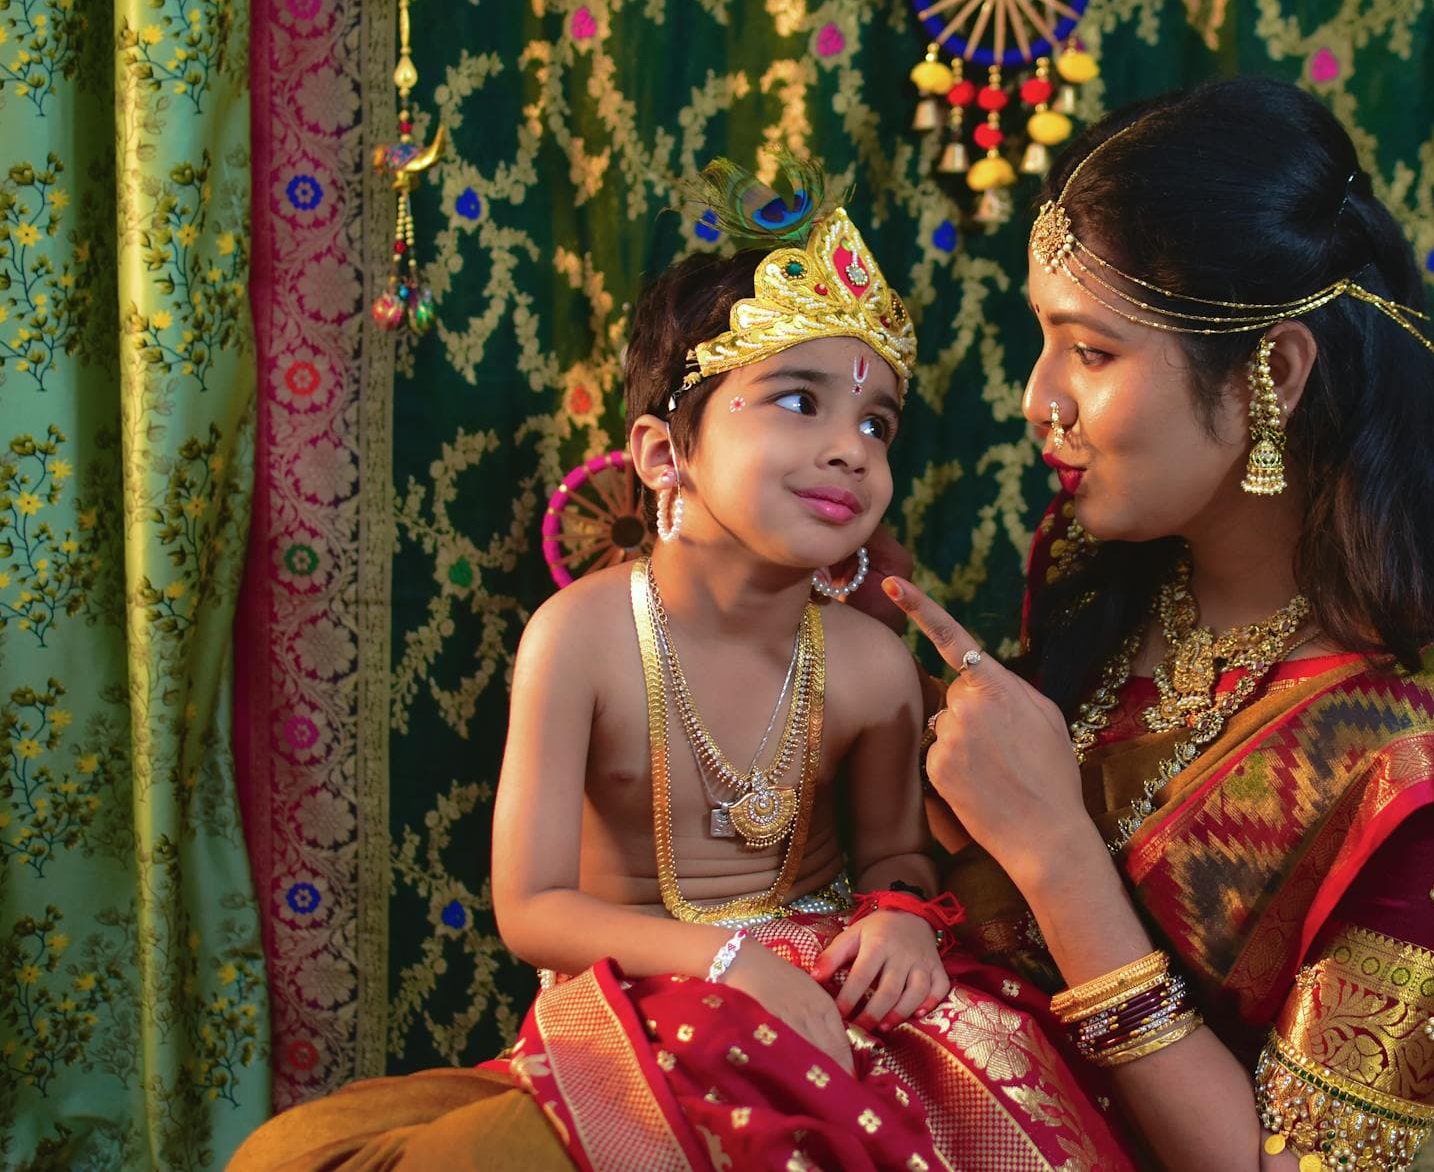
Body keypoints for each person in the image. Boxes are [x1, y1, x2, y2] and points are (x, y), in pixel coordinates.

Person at [230, 164, 1129, 1171]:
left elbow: (890, 859)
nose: (847, 448)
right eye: (798, 400)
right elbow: (531, 907)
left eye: (875, 424)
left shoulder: (872, 665)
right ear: (663, 454)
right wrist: (730, 962)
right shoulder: (580, 638)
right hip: (640, 991)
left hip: (828, 997)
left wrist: (902, 922)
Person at [877, 77, 1434, 1171]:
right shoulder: (1115, 575)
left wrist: (1059, 855)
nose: (1034, 397)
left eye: (1089, 351)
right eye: (1042, 341)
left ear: (1273, 372)